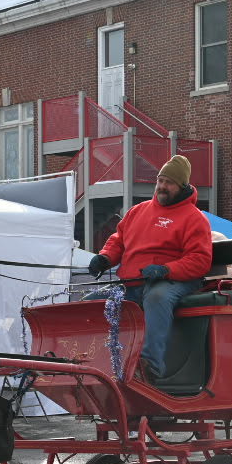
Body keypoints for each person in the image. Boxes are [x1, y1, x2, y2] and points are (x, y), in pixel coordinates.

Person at [86, 154, 213, 382]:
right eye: (160, 180)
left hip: (174, 281)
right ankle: (92, 360)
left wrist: (166, 270)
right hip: (133, 281)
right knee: (91, 303)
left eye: (169, 182)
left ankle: (150, 366)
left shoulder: (195, 219)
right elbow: (118, 240)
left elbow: (200, 260)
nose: (162, 187)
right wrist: (105, 258)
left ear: (182, 186)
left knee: (157, 297)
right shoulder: (138, 211)